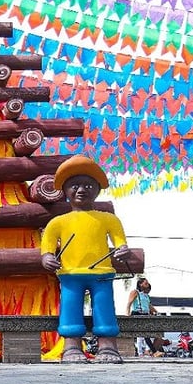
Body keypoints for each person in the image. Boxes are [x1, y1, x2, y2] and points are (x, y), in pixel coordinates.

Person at [41, 154, 131, 364]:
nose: (81, 190)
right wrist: (47, 258)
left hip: (101, 273)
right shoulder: (57, 222)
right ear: (65, 191)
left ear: (97, 190)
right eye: (75, 186)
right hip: (70, 274)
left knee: (104, 307)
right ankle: (71, 346)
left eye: (88, 185)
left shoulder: (109, 219)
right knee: (70, 307)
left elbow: (121, 243)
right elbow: (47, 249)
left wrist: (122, 251)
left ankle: (108, 346)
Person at [126, 277, 163, 357]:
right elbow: (129, 303)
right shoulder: (135, 292)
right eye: (145, 283)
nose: (147, 285)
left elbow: (149, 306)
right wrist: (127, 314)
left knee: (147, 333)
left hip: (145, 314)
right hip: (138, 313)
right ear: (140, 284)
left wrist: (157, 312)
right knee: (145, 334)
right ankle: (153, 352)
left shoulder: (146, 295)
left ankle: (151, 351)